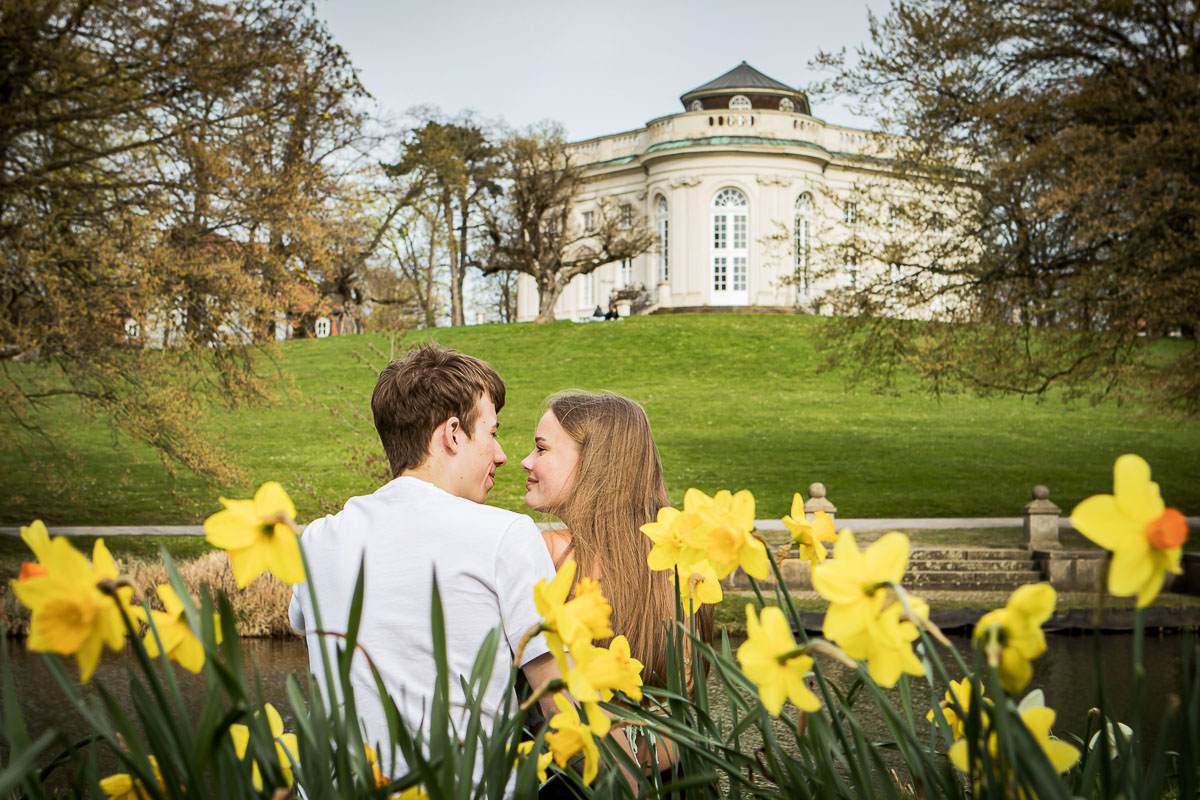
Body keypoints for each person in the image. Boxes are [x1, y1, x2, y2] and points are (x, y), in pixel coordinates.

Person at [288, 344, 559, 787]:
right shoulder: (506, 535)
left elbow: (304, 626)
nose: (502, 455)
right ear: (452, 433)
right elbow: (558, 701)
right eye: (492, 433)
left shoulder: (317, 539)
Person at [520, 393, 713, 775]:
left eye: (541, 449)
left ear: (594, 463)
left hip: (571, 775)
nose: (526, 461)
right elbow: (687, 696)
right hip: (671, 775)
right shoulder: (684, 562)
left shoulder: (544, 555)